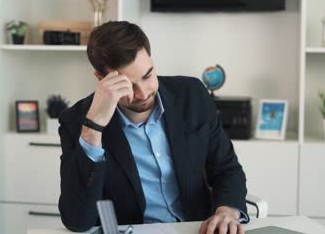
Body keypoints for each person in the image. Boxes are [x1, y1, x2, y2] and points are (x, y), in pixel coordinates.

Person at [58, 21, 249, 234]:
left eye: (147, 75)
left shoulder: (191, 95)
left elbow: (226, 168)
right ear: (101, 79)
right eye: (127, 85)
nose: (143, 93)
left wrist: (227, 212)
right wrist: (94, 127)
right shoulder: (77, 121)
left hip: (197, 229)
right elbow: (77, 220)